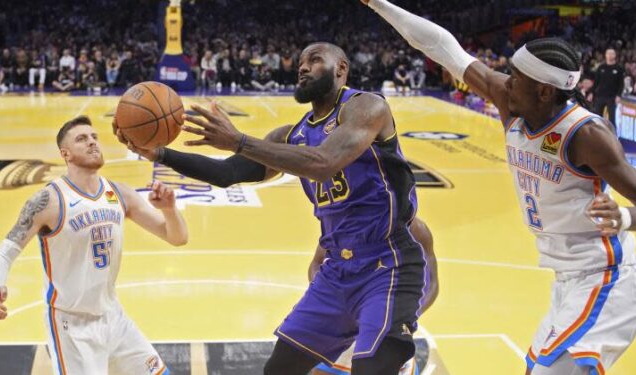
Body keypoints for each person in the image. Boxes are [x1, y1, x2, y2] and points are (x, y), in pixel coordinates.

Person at [361, 1, 636, 374]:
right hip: (568, 282)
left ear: (544, 92)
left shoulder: (586, 135)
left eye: (515, 78)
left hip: (609, 281)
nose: (504, 82)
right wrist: (380, 3)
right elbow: (443, 48)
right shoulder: (513, 104)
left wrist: (624, 216)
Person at [117, 42, 432, 375]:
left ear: (341, 69)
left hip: (387, 264)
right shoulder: (292, 136)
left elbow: (323, 163)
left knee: (373, 369)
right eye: (300, 62)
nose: (303, 67)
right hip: (337, 271)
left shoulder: (366, 107)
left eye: (314, 60)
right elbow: (229, 172)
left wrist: (240, 140)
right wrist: (159, 155)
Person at [0, 115, 188, 375]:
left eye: (94, 137)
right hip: (72, 327)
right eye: (82, 139)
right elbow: (4, 253)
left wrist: (169, 209)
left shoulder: (119, 193)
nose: (92, 143)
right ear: (65, 153)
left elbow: (177, 237)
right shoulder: (49, 201)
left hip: (113, 316)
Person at [312, 217, 438, 375]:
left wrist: (408, 315)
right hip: (347, 321)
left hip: (389, 323)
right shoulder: (345, 221)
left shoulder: (417, 230)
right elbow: (316, 263)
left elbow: (432, 282)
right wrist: (328, 297)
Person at [591, 48, 624, 127]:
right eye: (608, 54)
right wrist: (592, 93)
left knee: (612, 118)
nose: (609, 55)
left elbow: (621, 84)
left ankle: (613, 136)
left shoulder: (619, 68)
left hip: (612, 97)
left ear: (615, 55)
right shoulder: (601, 67)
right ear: (605, 55)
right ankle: (598, 134)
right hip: (600, 96)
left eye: (611, 54)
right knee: (597, 117)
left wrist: (618, 95)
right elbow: (596, 82)